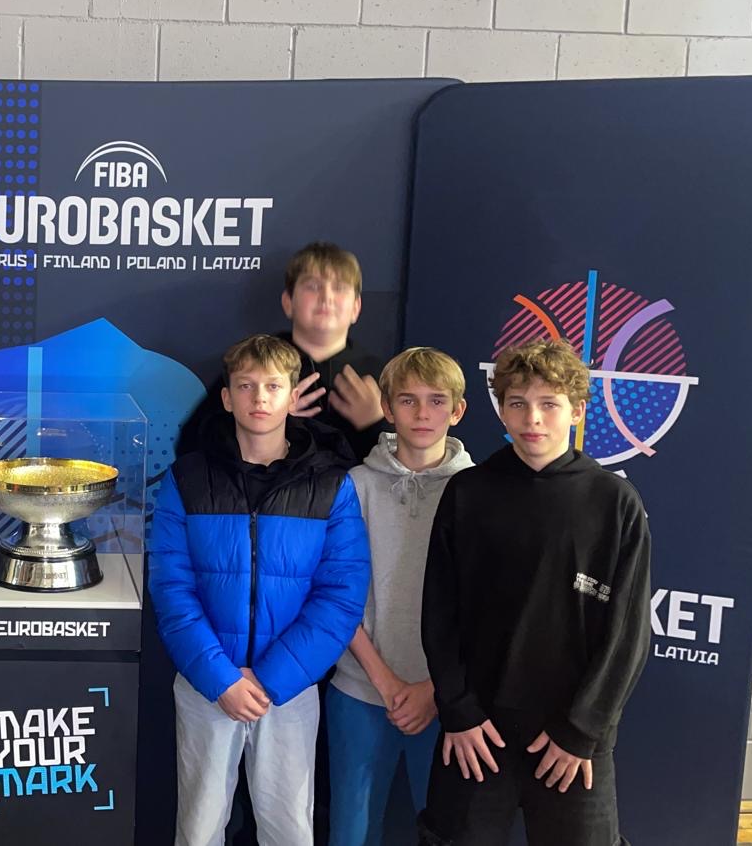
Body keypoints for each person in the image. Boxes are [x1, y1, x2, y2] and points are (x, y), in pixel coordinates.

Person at [420, 339, 651, 846]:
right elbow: (439, 614)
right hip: (479, 733)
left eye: (550, 404)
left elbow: (628, 637)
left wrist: (582, 730)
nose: (533, 419)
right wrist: (459, 711)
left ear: (577, 411)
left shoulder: (614, 503)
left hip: (573, 738)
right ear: (501, 409)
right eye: (518, 403)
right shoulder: (468, 492)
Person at [148, 333, 370, 846]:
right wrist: (221, 678)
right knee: (199, 830)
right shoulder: (187, 479)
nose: (259, 398)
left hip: (289, 689)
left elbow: (340, 596)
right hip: (209, 684)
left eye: (273, 386)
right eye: (246, 386)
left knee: (289, 830)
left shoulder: (331, 485)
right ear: (227, 398)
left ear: (293, 398)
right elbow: (172, 587)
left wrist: (272, 679)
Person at [327, 347, 473, 846]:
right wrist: (385, 681)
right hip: (361, 689)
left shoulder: (479, 492)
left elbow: (487, 605)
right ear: (387, 409)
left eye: (437, 401)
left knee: (445, 832)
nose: (422, 413)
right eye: (408, 400)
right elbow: (334, 593)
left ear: (457, 410)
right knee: (351, 831)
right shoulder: (354, 486)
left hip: (447, 698)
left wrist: (433, 688)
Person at [177, 242, 387, 460]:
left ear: (356, 308)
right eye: (313, 286)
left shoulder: (380, 376)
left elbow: (405, 468)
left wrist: (375, 424)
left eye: (340, 287)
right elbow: (192, 445)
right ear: (288, 303)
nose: (327, 297)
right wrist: (266, 421)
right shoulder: (251, 363)